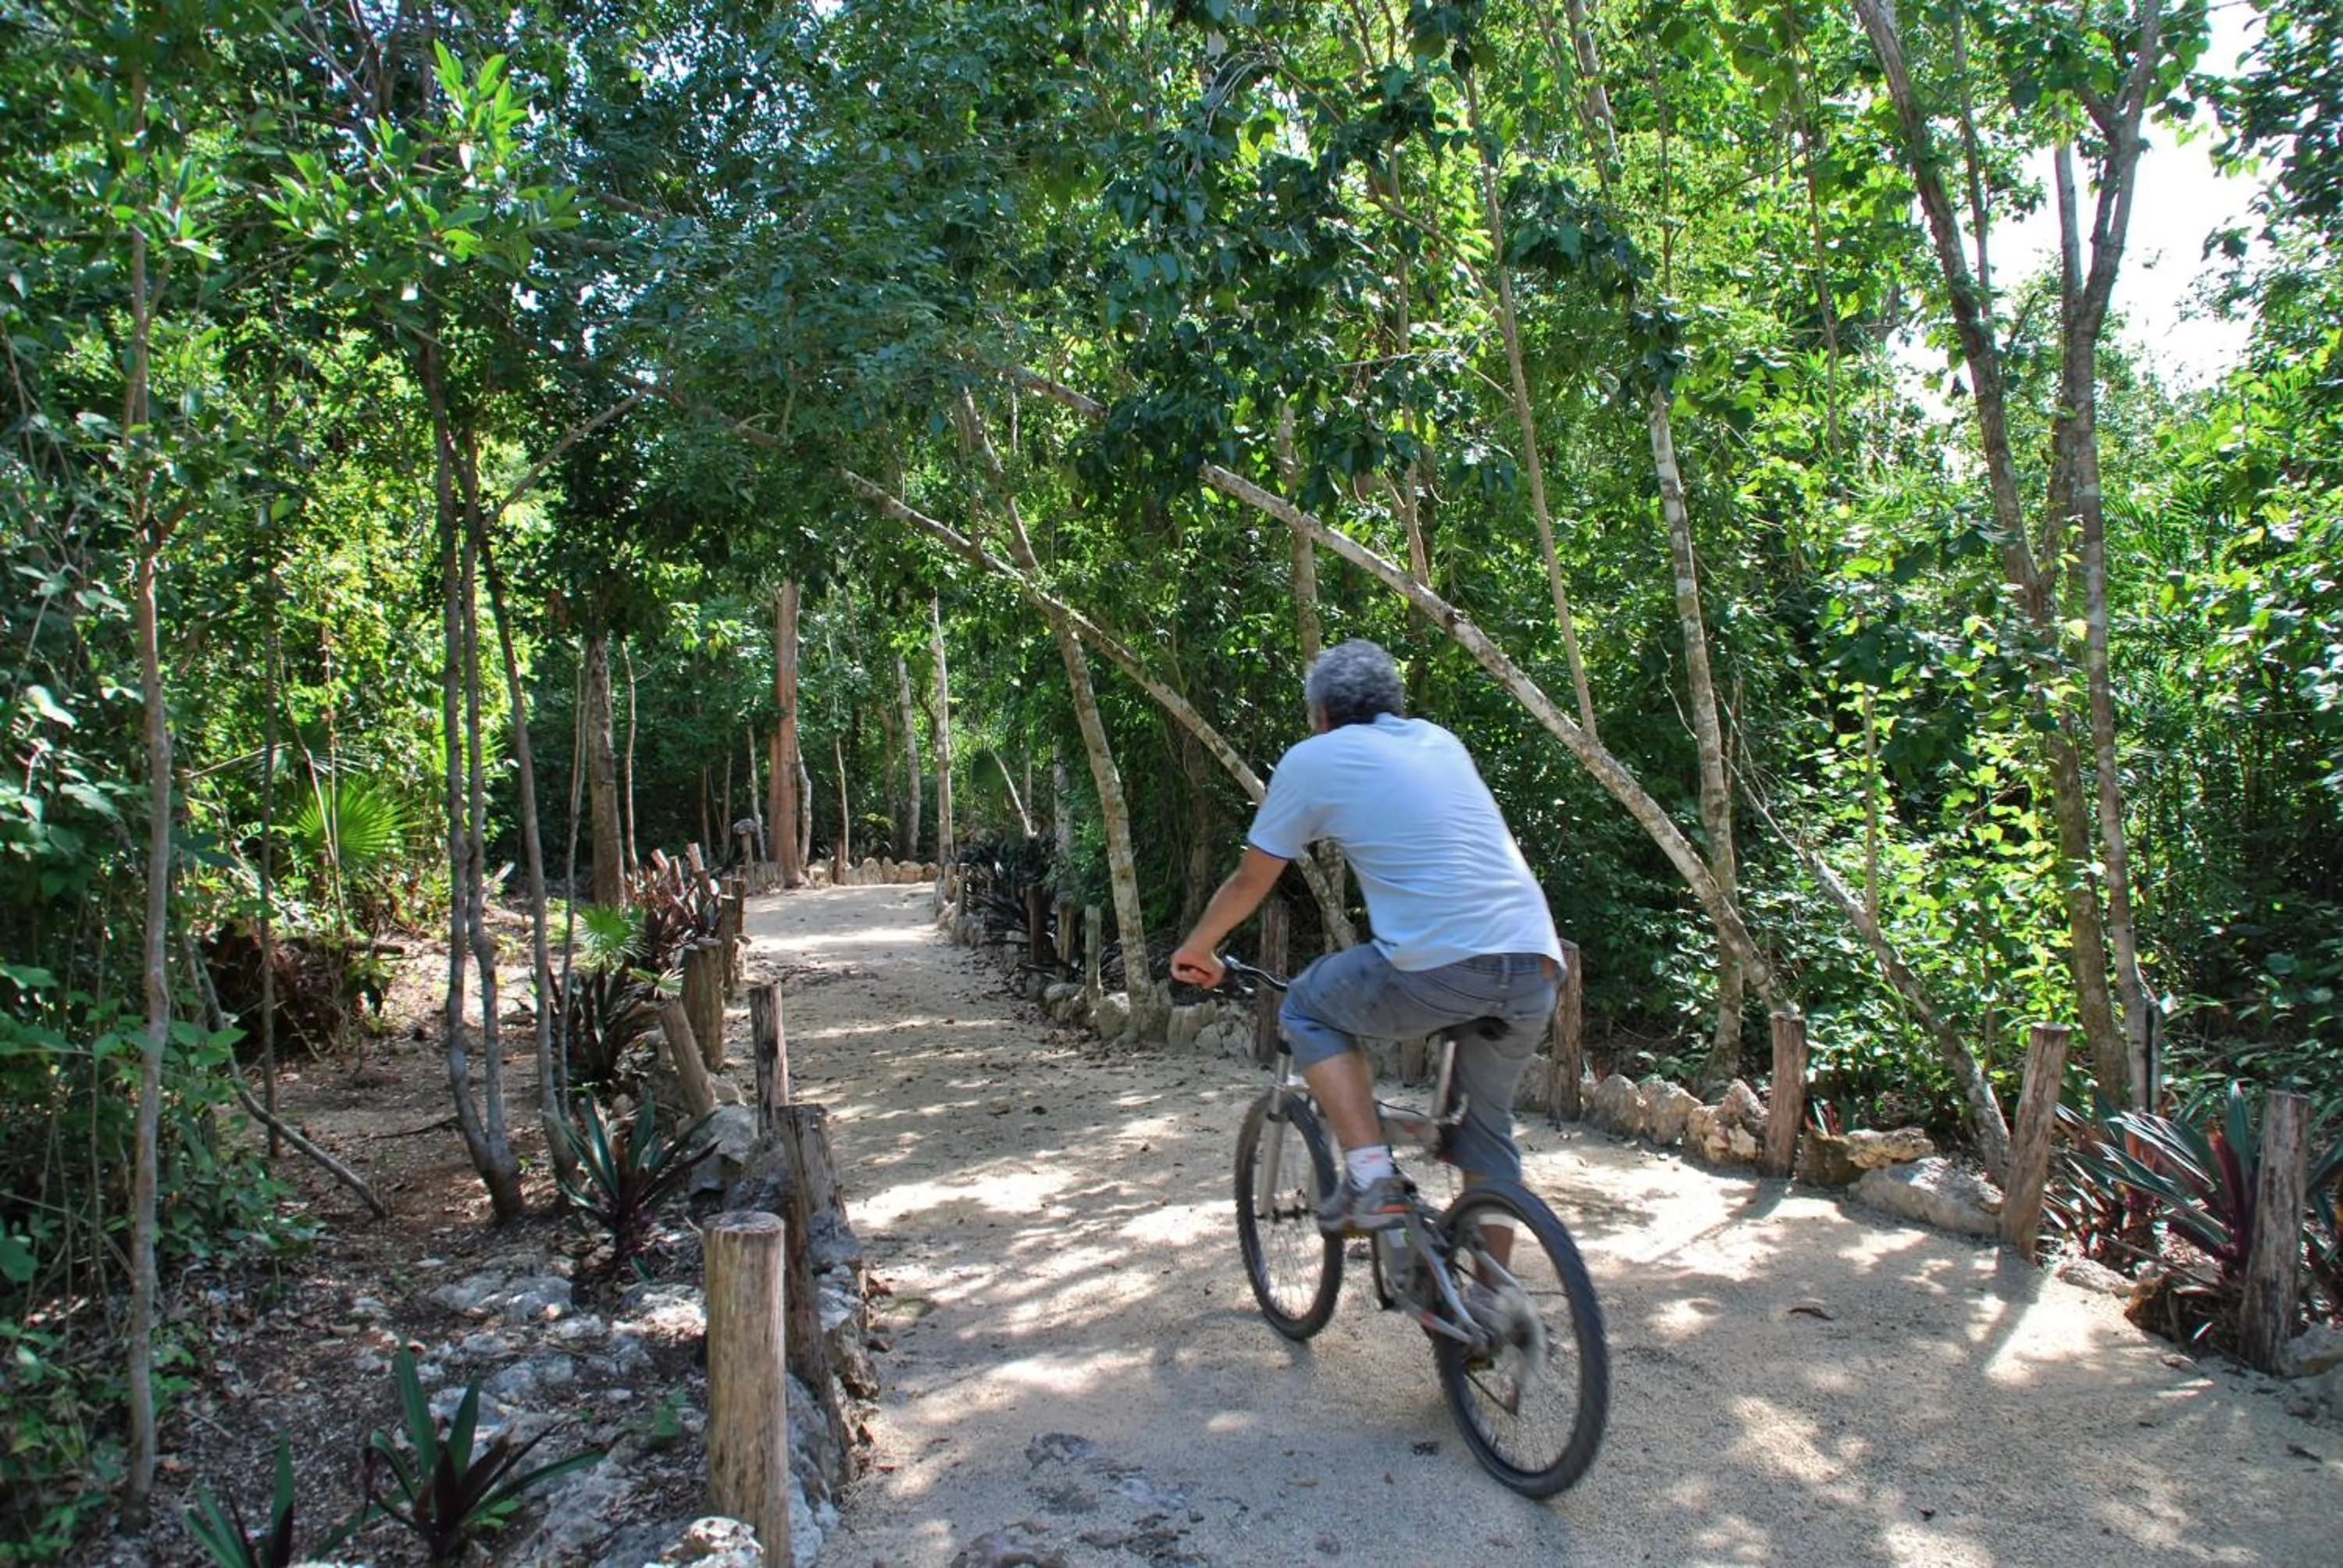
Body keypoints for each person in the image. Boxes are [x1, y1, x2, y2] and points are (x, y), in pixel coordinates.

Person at [1170, 639, 1564, 1235]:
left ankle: (1371, 1177)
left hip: (1440, 967)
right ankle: (1493, 1312)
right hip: (1536, 964)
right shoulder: (1441, 742)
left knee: (1305, 1005)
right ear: (1392, 704)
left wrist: (1198, 948)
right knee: (1487, 1137)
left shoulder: (1313, 759)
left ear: (1322, 714)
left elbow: (1252, 880)